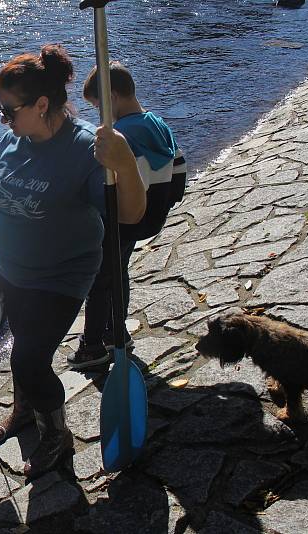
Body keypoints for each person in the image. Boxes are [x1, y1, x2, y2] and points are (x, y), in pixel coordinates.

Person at [0, 45, 146, 478]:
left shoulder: (86, 150)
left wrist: (125, 165)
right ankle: (26, 408)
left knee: (28, 359)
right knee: (22, 348)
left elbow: (131, 214)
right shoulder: (14, 138)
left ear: (43, 104)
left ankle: (57, 436)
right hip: (14, 268)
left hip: (63, 273)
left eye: (9, 110)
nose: (3, 119)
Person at [70, 61, 187, 370]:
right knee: (118, 273)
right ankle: (116, 331)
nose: (99, 115)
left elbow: (104, 184)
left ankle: (92, 344)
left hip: (119, 220)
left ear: (112, 97)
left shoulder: (118, 136)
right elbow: (179, 175)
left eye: (98, 107)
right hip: (147, 217)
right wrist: (161, 202)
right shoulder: (159, 125)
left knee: (99, 280)